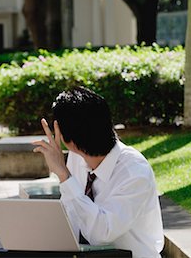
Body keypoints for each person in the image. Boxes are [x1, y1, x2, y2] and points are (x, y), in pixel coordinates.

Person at [33, 87, 164, 258]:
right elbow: (72, 214)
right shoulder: (76, 157)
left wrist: (65, 176)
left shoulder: (134, 172)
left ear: (68, 140)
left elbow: (102, 234)